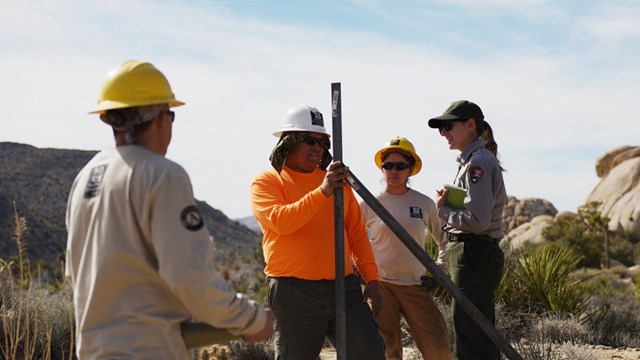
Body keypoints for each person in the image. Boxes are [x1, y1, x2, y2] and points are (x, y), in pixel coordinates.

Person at [65, 60, 273, 359]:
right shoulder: (162, 175)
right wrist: (250, 319)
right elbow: (190, 276)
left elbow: (75, 274)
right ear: (161, 119)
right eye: (170, 115)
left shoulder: (86, 177)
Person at [249, 104, 385, 360]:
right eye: (310, 140)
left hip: (344, 288)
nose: (318, 149)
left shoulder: (337, 184)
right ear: (288, 143)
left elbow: (356, 234)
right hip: (293, 291)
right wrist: (322, 192)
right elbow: (281, 222)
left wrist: (373, 278)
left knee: (370, 353)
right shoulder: (267, 181)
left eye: (322, 143)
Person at [360, 136, 453, 360]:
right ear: (382, 169)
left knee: (437, 347)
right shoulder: (368, 203)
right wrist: (360, 271)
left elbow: (445, 240)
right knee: (387, 349)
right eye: (388, 165)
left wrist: (440, 271)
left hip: (416, 284)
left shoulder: (424, 204)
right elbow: (352, 240)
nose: (393, 171)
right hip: (381, 286)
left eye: (400, 166)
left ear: (410, 169)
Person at [427, 100, 507, 360]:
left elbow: (478, 220)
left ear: (470, 125)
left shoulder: (477, 163)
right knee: (475, 331)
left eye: (448, 126)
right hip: (472, 253)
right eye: (441, 129)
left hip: (474, 252)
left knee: (472, 335)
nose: (444, 133)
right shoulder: (473, 160)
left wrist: (444, 210)